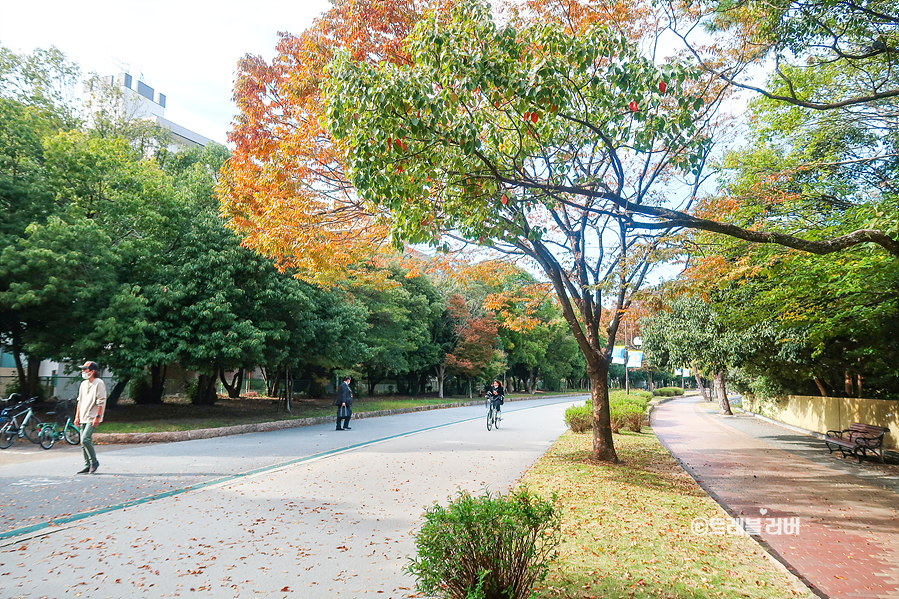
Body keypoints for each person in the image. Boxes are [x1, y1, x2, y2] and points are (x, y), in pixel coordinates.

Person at [74, 361, 107, 474]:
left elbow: (101, 401)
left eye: (85, 369)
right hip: (83, 415)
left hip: (92, 416)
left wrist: (97, 417)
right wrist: (77, 416)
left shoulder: (99, 383)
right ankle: (87, 464)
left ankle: (94, 462)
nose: (83, 371)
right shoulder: (83, 384)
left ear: (92, 371)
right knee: (83, 442)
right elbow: (80, 401)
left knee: (85, 439)